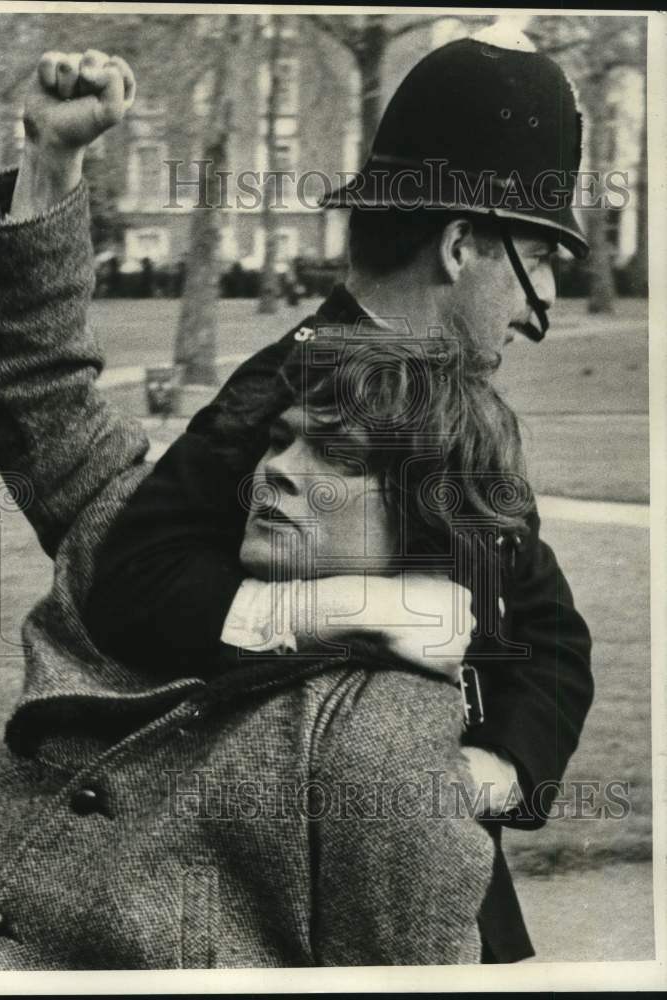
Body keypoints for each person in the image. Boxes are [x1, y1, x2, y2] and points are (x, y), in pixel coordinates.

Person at [0, 49, 494, 971]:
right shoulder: (132, 545)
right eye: (279, 438)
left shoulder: (376, 738)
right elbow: (35, 384)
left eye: (336, 456)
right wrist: (50, 161)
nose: (280, 470)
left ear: (417, 518)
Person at [84, 33, 595, 964]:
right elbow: (130, 582)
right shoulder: (287, 387)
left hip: (438, 879)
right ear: (460, 245)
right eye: (539, 261)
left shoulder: (452, 406)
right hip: (283, 901)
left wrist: (495, 767)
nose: (538, 308)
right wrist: (353, 606)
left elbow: (548, 634)